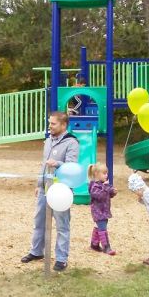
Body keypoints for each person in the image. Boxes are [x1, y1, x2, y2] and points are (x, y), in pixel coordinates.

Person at [21, 111, 79, 271]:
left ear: (63, 125)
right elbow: (43, 165)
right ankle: (36, 251)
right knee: (39, 221)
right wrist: (38, 185)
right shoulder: (48, 141)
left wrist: (57, 163)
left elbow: (71, 166)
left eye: (53, 123)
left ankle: (61, 258)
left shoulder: (72, 142)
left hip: (61, 190)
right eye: (49, 123)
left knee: (62, 224)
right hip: (45, 187)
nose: (50, 126)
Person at [87, 162, 118, 255]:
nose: (106, 175)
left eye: (106, 173)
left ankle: (94, 244)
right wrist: (105, 187)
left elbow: (108, 194)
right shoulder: (94, 186)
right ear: (97, 174)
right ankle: (106, 247)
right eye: (104, 173)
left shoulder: (103, 184)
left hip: (104, 211)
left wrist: (113, 191)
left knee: (99, 227)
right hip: (98, 212)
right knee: (103, 228)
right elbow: (100, 196)